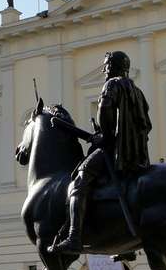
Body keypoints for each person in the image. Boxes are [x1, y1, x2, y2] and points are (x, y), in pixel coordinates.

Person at [50, 50, 151, 254]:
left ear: (113, 66)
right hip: (136, 154)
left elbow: (105, 111)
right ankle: (125, 246)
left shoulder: (111, 85)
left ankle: (74, 237)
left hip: (114, 151)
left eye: (106, 65)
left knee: (80, 180)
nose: (104, 70)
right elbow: (145, 124)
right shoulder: (137, 91)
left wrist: (103, 136)